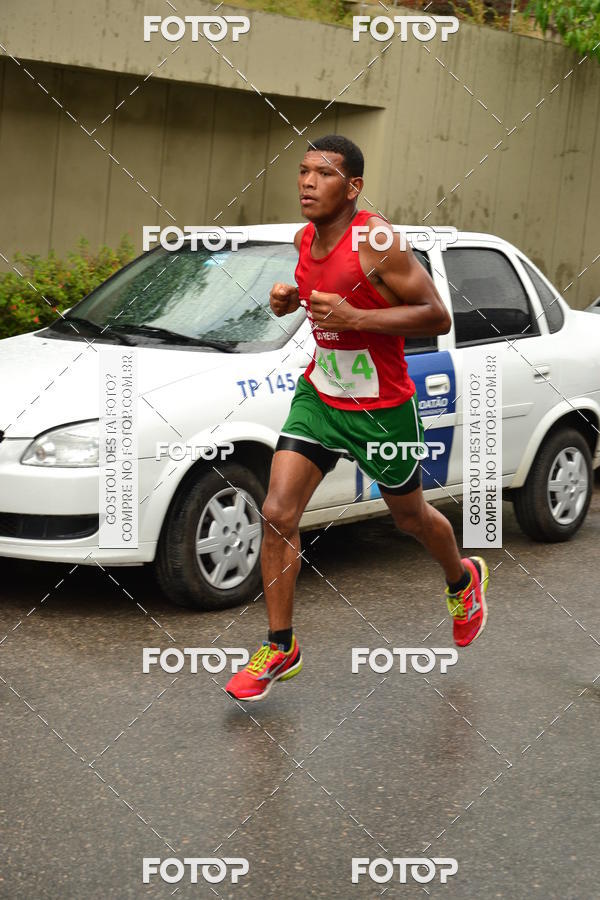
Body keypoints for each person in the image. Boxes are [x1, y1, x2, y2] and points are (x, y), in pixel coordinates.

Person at [226, 134, 488, 703]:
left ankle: (462, 579)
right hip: (320, 398)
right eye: (302, 172)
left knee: (411, 518)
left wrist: (356, 318)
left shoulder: (379, 240)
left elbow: (436, 316)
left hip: (382, 410)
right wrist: (288, 298)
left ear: (354, 187)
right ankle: (281, 645)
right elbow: (320, 291)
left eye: (322, 174)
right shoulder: (303, 238)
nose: (306, 183)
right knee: (276, 512)